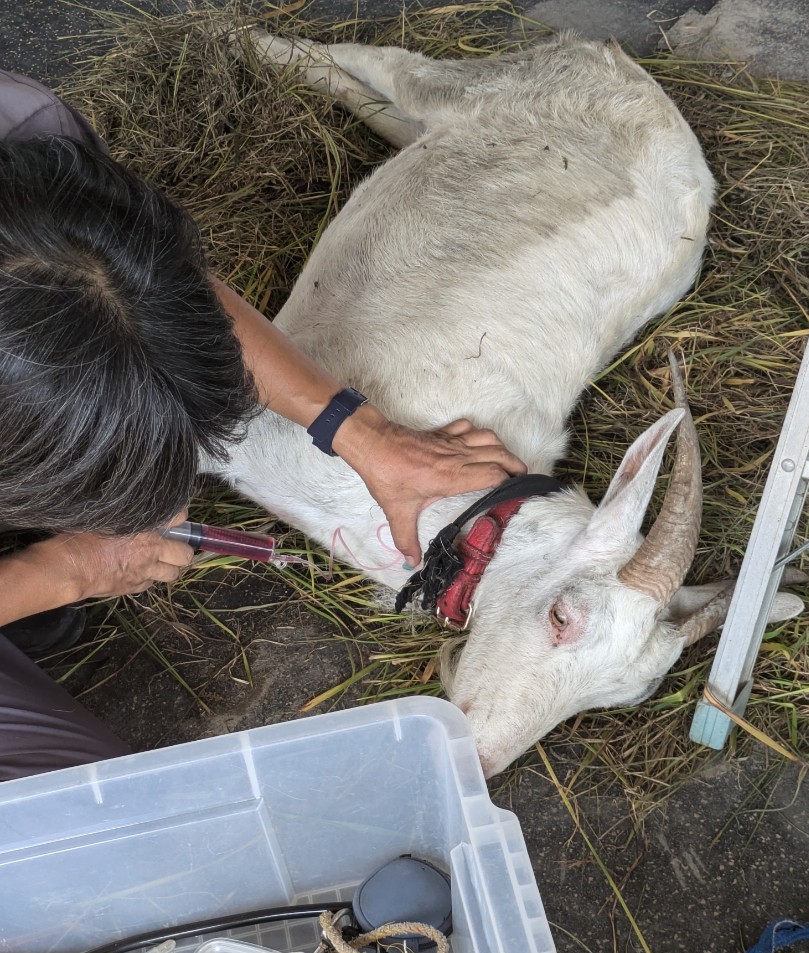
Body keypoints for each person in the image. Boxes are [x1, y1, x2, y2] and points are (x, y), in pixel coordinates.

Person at [0, 69, 526, 781]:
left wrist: (359, 431)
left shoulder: (28, 136)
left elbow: (153, 293)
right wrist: (62, 569)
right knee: (54, 823)